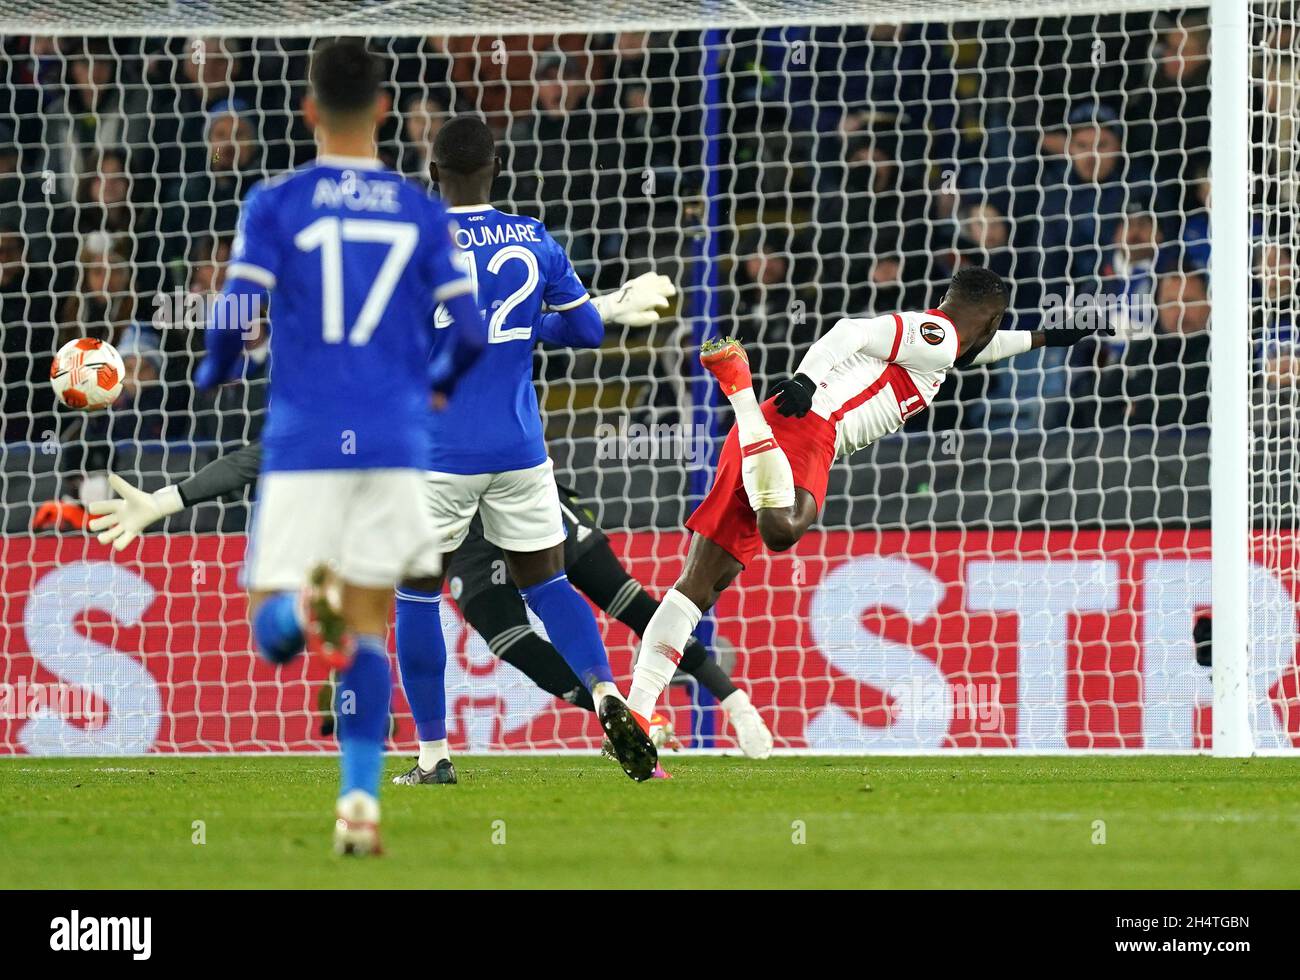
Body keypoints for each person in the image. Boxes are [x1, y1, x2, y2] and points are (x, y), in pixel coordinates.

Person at [191, 39, 484, 856]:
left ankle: (299, 610)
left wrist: (212, 372)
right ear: (384, 109)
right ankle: (358, 804)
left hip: (305, 437)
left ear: (309, 109)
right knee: (365, 631)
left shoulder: (276, 203)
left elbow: (233, 313)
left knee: (271, 630)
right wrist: (433, 389)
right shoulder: (422, 209)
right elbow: (466, 331)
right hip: (394, 443)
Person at [625, 267, 1107, 726]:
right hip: (811, 425)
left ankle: (638, 713)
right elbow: (850, 330)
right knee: (782, 529)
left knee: (701, 586)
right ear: (992, 318)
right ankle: (740, 394)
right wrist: (805, 380)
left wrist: (1046, 338)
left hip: (767, 439)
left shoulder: (944, 340)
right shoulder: (933, 337)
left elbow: (982, 350)